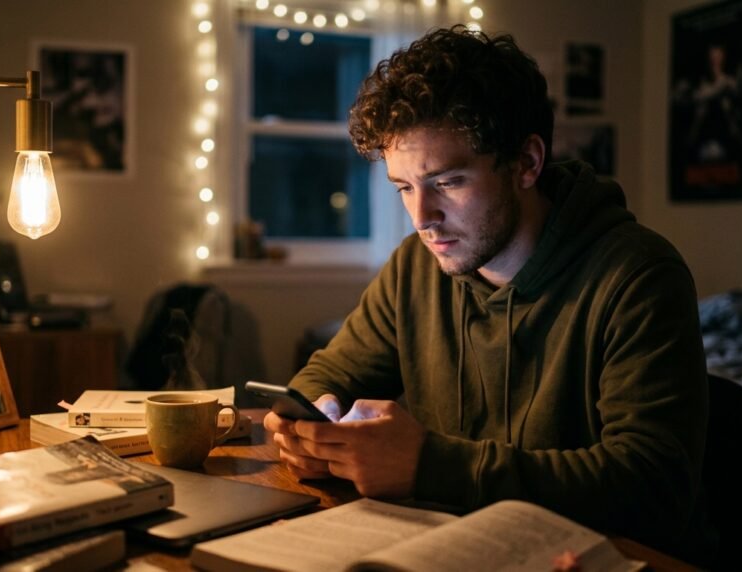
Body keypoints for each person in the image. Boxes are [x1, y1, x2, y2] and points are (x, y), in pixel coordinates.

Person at [264, 26, 712, 564]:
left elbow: (653, 488)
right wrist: (312, 427)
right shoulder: (414, 268)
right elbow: (324, 377)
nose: (422, 218)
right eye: (404, 187)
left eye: (447, 182)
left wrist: (429, 466)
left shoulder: (637, 276)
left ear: (527, 163)